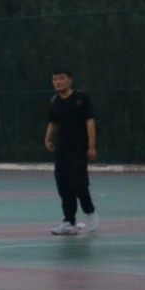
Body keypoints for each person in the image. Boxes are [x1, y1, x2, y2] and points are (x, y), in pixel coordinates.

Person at [44, 70, 98, 235]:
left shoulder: (81, 99)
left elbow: (90, 122)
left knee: (78, 183)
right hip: (61, 149)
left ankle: (90, 212)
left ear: (70, 81)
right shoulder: (54, 101)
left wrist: (91, 146)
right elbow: (53, 122)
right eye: (54, 79)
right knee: (63, 185)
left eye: (61, 78)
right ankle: (69, 222)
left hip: (79, 148)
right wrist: (48, 138)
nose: (57, 82)